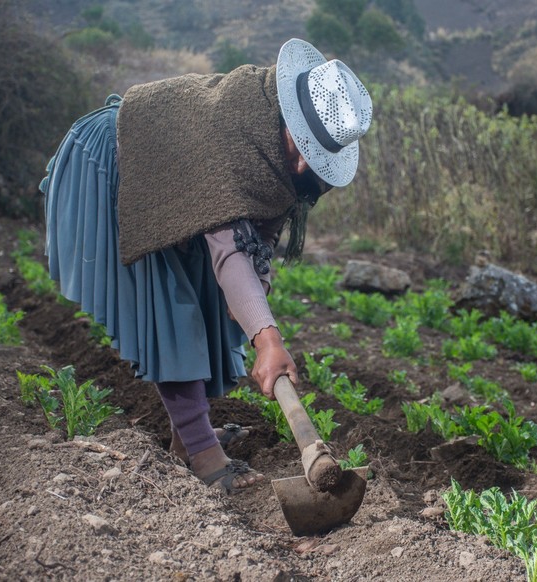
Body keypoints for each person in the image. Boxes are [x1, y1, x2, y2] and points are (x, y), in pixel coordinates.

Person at [39, 38, 373, 493]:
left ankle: (188, 439)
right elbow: (228, 249)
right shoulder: (235, 129)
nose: (299, 162)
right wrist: (267, 339)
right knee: (174, 305)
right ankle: (202, 452)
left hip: (175, 188)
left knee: (222, 300)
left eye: (313, 155)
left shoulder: (289, 163)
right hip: (121, 165)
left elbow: (259, 238)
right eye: (301, 145)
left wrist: (257, 294)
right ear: (292, 115)